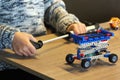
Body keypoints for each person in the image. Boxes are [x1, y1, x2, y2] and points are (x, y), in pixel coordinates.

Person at [0, 0, 86, 71]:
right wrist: (10, 37)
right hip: (7, 66)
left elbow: (50, 6)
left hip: (40, 61)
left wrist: (68, 23)